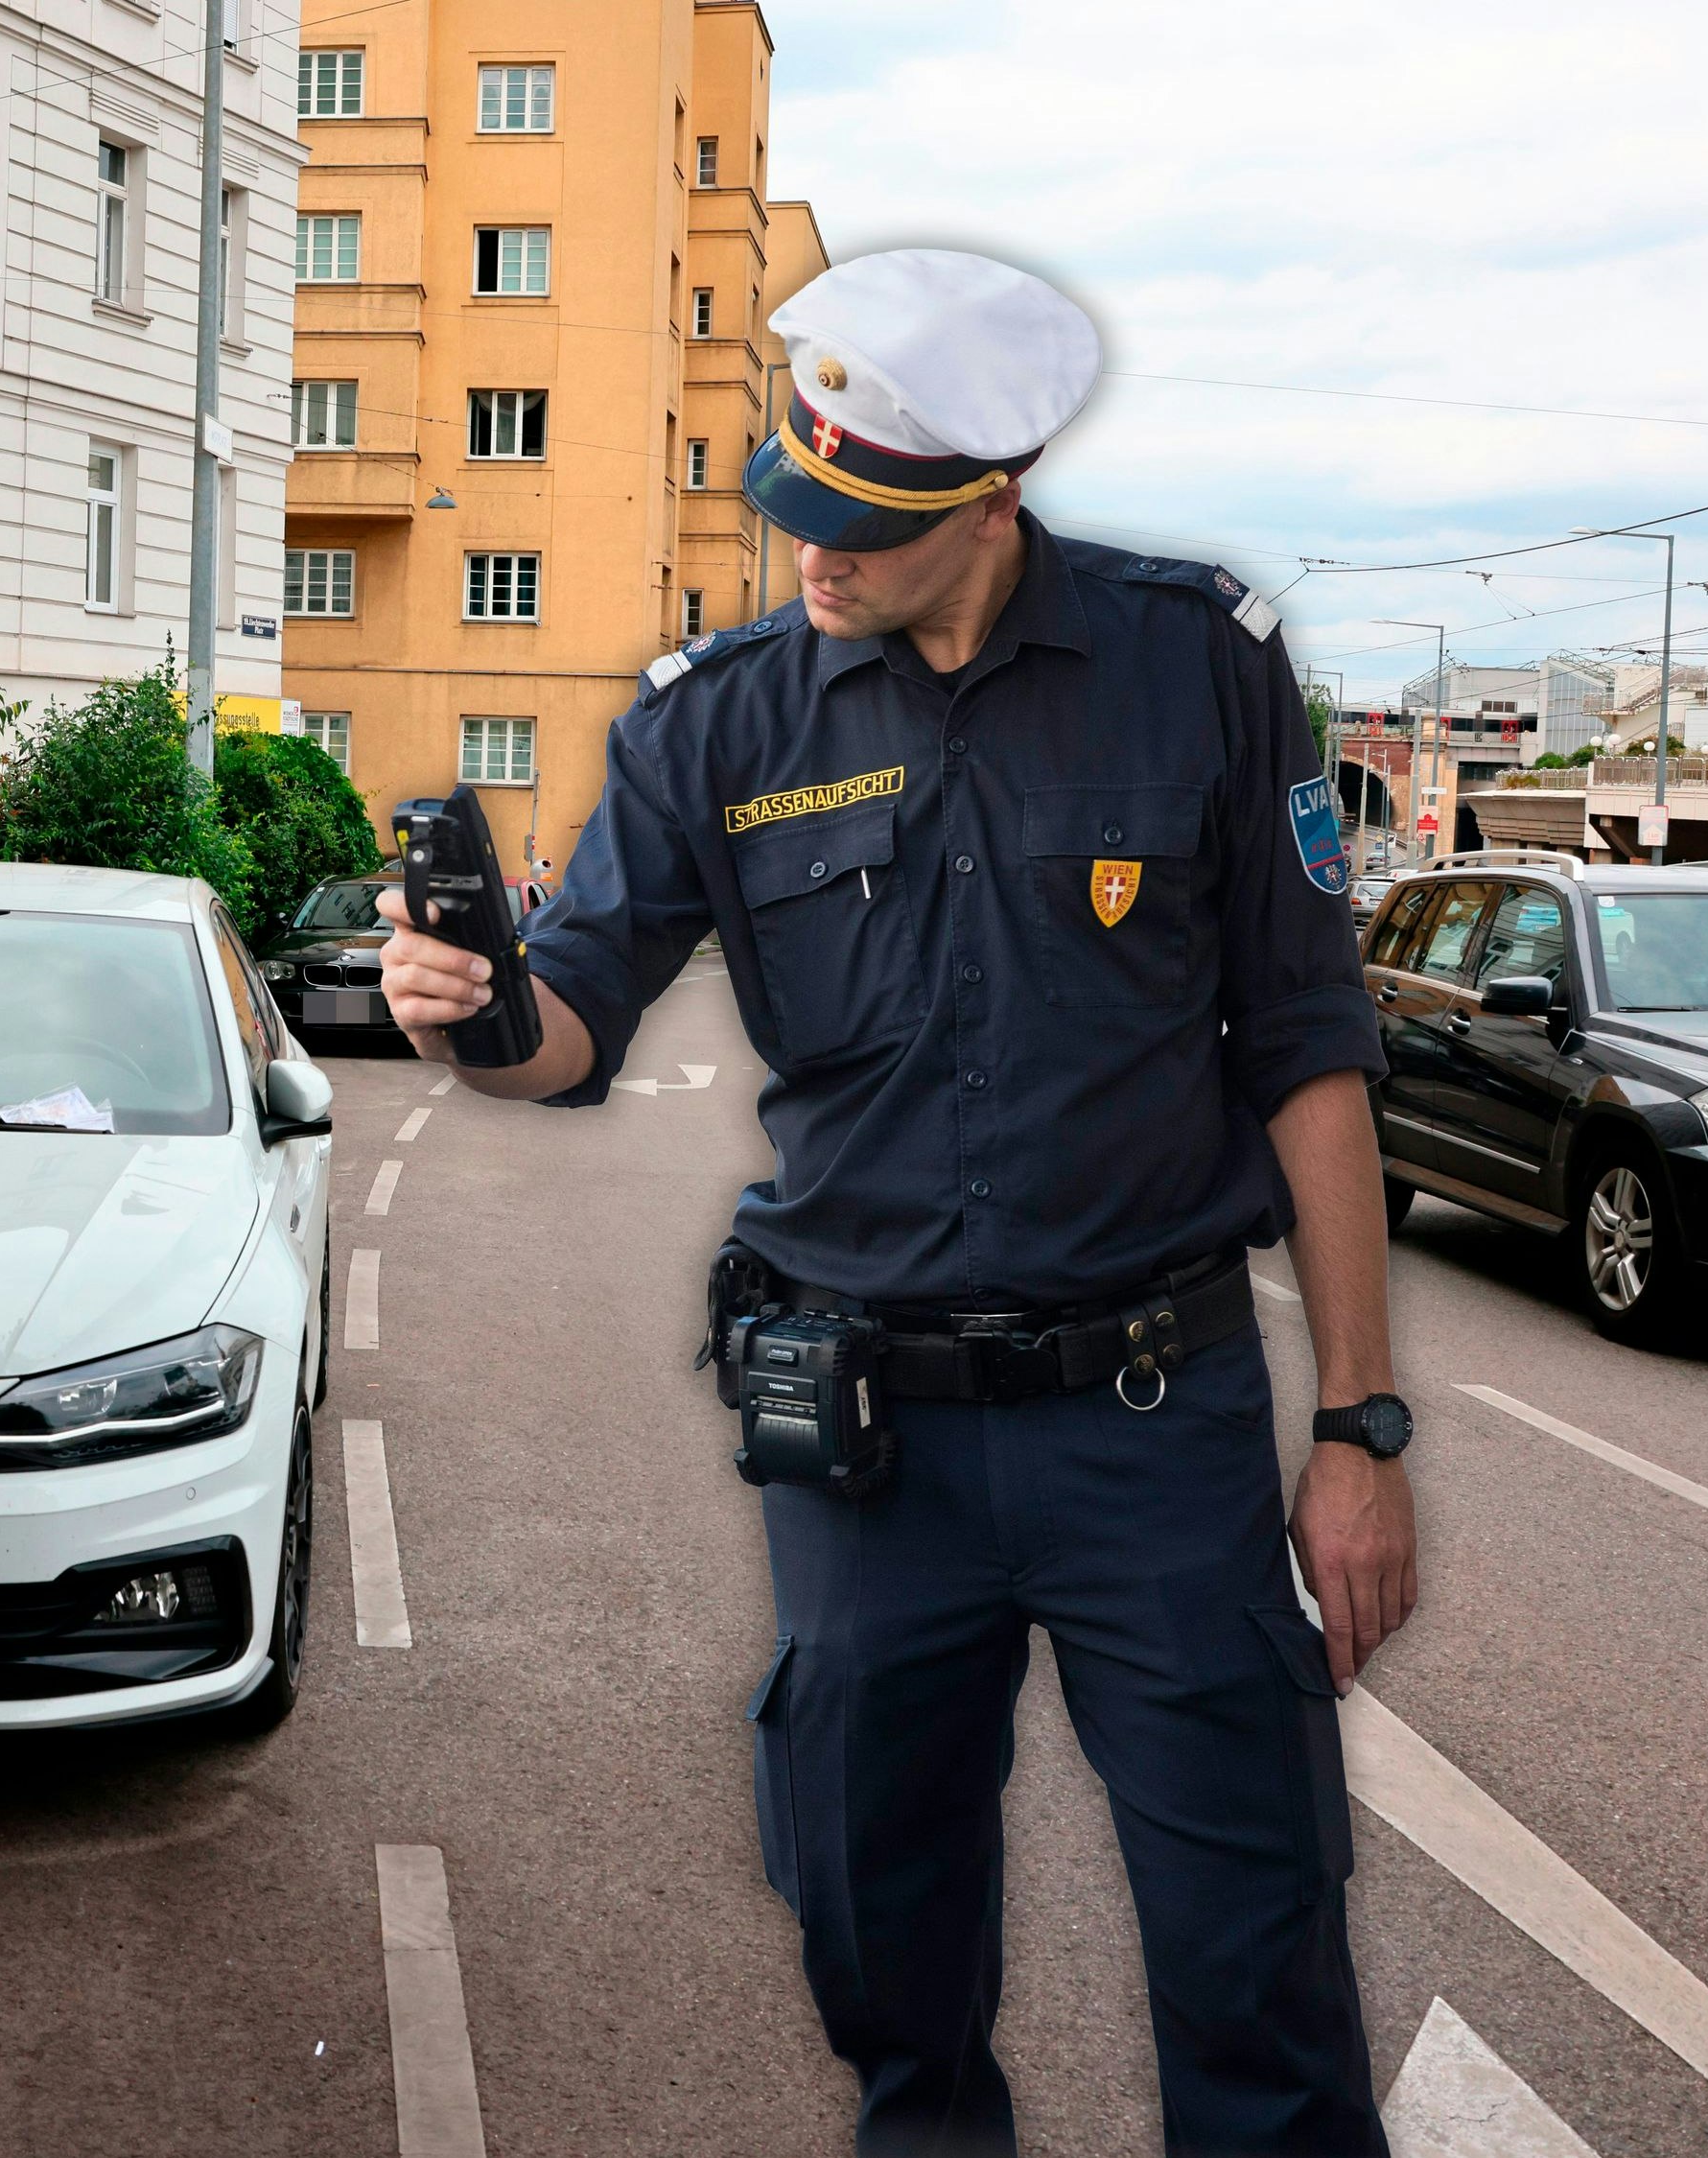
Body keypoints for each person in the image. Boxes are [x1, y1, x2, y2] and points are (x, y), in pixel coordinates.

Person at [378, 249, 1416, 2157]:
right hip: (861, 1443)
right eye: (792, 495)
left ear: (991, 499)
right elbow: (573, 1024)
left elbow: (1305, 1048)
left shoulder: (1197, 665)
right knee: (879, 1945)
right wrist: (471, 1011)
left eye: (857, 522)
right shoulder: (717, 718)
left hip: (1148, 1428)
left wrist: (1355, 1425)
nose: (808, 551)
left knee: (1252, 1949)